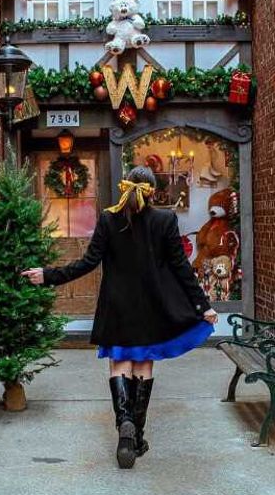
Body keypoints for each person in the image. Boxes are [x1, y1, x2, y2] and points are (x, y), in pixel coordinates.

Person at [22, 166, 218, 469]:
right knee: (143, 364)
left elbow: (87, 263)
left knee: (120, 364)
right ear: (152, 191)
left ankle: (124, 425)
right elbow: (181, 268)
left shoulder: (109, 219)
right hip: (152, 308)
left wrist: (48, 275)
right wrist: (203, 305)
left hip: (117, 307)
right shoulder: (165, 220)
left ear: (124, 188)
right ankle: (136, 433)